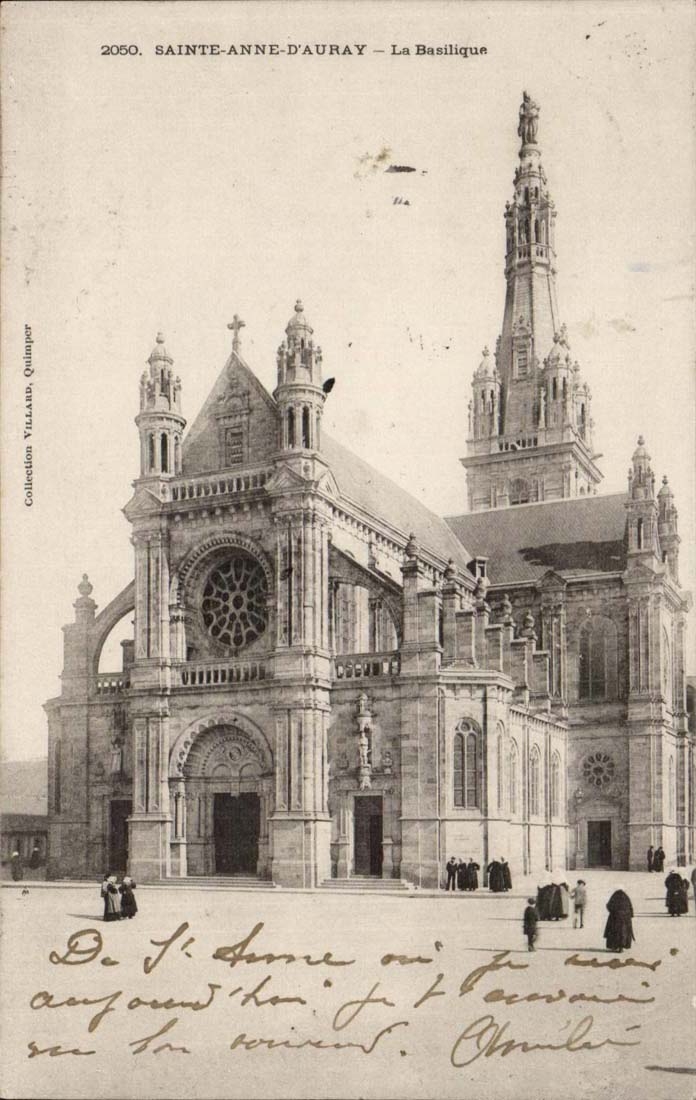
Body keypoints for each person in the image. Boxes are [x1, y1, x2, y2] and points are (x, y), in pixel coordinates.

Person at [604, 887, 635, 952]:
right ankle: (621, 947)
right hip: (625, 918)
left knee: (614, 932)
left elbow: (609, 906)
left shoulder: (614, 896)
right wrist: (630, 915)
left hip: (615, 918)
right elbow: (630, 907)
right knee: (624, 933)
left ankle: (614, 946)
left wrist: (612, 912)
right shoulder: (626, 897)